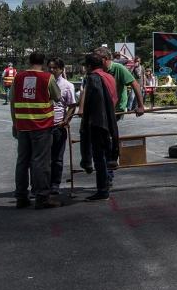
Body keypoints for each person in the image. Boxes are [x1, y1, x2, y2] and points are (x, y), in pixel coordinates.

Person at [10, 52, 62, 209]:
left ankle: (21, 197)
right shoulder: (47, 78)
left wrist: (15, 123)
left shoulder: (18, 78)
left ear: (29, 61)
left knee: (22, 161)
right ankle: (42, 197)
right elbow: (58, 96)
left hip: (22, 126)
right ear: (44, 63)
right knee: (41, 162)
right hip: (42, 126)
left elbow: (13, 101)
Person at [78, 52, 119, 201]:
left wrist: (88, 121)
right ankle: (105, 185)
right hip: (109, 119)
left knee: (99, 157)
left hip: (98, 122)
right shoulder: (109, 76)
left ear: (89, 66)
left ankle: (102, 190)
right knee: (106, 156)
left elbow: (93, 101)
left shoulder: (93, 78)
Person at [47, 58, 78, 196]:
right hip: (44, 127)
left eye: (54, 68)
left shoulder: (67, 86)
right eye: (50, 67)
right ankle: (42, 184)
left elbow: (72, 105)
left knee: (57, 159)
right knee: (43, 159)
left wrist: (66, 121)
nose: (52, 70)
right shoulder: (45, 83)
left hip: (58, 126)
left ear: (61, 69)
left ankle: (55, 184)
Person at [97, 46, 145, 116]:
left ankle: (129, 107)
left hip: (117, 108)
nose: (95, 61)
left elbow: (135, 85)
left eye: (97, 59)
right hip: (102, 106)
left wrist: (141, 106)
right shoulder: (97, 69)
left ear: (105, 59)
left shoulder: (118, 68)